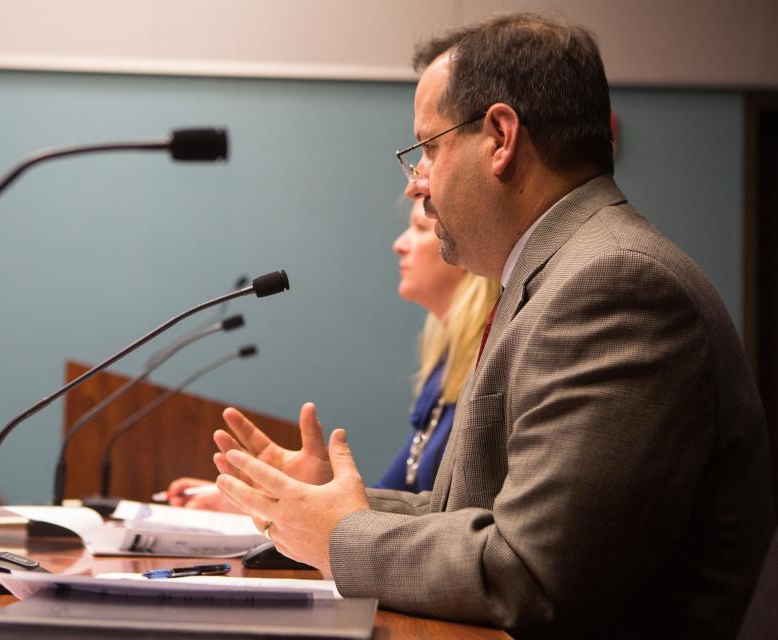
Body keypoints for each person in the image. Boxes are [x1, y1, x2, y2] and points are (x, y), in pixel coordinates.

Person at [209, 12, 774, 640]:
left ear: (501, 137)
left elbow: (530, 576)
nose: (418, 183)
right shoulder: (552, 273)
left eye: (427, 148)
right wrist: (334, 505)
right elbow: (474, 519)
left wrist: (341, 535)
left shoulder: (614, 285)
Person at [166, 201, 500, 508]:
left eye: (420, 228)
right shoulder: (444, 371)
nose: (399, 244)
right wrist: (277, 498)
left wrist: (301, 499)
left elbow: (440, 521)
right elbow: (399, 502)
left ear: (462, 248)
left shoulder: (492, 368)